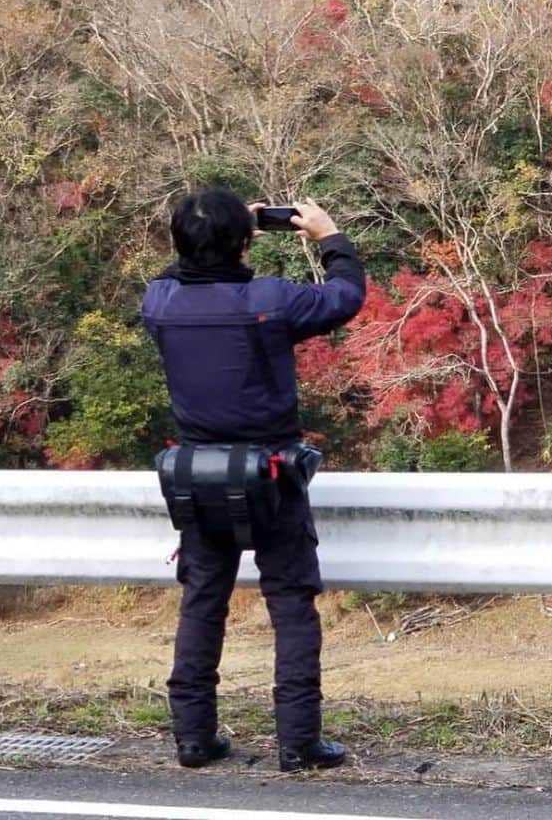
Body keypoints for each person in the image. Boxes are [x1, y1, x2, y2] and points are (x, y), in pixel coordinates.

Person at [142, 188, 366, 773]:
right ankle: (297, 743)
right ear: (244, 242)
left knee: (202, 603)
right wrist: (329, 237)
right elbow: (345, 297)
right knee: (291, 605)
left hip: (197, 478)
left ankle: (193, 737)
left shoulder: (159, 302)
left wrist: (216, 240)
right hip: (271, 474)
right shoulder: (269, 300)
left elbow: (181, 272)